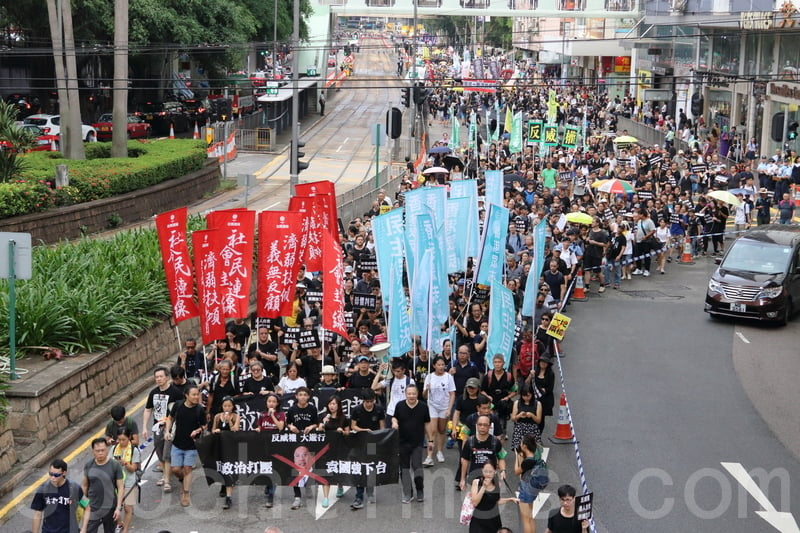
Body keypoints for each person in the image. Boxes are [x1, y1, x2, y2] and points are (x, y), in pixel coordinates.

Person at [141, 366, 183, 495]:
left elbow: (180, 410)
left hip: (171, 428)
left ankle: (167, 481)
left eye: (161, 376)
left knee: (167, 453)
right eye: (156, 377)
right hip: (157, 427)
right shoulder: (153, 393)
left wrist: (172, 426)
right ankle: (166, 474)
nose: (158, 379)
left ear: (167, 377)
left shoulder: (175, 392)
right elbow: (148, 409)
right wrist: (144, 427)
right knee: (159, 452)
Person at [164, 385, 206, 507]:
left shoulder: (199, 409)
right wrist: (167, 431)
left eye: (197, 394)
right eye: (193, 394)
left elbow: (204, 425)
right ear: (186, 395)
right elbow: (170, 418)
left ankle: (186, 494)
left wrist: (197, 430)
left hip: (191, 446)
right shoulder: (178, 406)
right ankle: (183, 480)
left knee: (187, 469)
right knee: (175, 469)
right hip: (177, 443)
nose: (196, 397)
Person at [392, 384, 430, 503]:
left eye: (414, 393)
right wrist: (394, 423)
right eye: (409, 394)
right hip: (402, 442)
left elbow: (427, 424)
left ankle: (420, 490)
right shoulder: (400, 405)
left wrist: (431, 440)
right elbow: (394, 417)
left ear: (417, 394)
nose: (411, 396)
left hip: (417, 443)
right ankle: (408, 492)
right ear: (405, 394)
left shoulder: (423, 407)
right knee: (404, 469)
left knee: (417, 467)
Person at [349, 389, 385, 508]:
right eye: (367, 401)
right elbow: (353, 426)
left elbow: (382, 427)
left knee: (370, 466)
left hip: (372, 443)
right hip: (359, 441)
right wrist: (364, 431)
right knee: (359, 468)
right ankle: (359, 496)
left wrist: (379, 439)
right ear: (363, 401)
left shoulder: (379, 409)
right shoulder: (357, 410)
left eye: (371, 401)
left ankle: (370, 490)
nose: (369, 404)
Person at [80, 438, 124, 533]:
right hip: (92, 507)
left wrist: (118, 508)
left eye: (103, 450)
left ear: (107, 450)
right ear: (93, 451)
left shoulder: (114, 465)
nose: (100, 453)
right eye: (97, 451)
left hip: (110, 507)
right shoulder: (89, 465)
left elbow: (120, 487)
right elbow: (84, 486)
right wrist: (84, 504)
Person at [285, 386, 319, 510]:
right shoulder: (292, 409)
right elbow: (287, 423)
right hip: (296, 442)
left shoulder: (312, 409)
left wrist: (312, 427)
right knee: (296, 468)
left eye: (305, 395)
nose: (303, 397)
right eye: (300, 395)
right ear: (296, 396)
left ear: (308, 396)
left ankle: (308, 485)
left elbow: (317, 423)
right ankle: (297, 496)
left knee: (309, 465)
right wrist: (290, 427)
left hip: (309, 440)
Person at [30, 458, 83, 533]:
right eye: (51, 474)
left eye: (56, 475)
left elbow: (87, 506)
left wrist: (84, 528)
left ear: (64, 473)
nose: (52, 478)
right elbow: (37, 513)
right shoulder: (43, 489)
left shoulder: (74, 488)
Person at [459, 414, 507, 492]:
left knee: (491, 502)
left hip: (491, 480)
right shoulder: (470, 442)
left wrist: (503, 470)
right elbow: (465, 460)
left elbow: (501, 457)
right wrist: (462, 479)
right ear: (476, 426)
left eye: (485, 425)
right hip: (474, 479)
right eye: (480, 425)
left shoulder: (495, 442)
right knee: (474, 502)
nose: (482, 427)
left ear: (489, 426)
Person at [422, 355, 455, 465]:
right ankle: (429, 456)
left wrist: (449, 409)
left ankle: (440, 451)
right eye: (439, 365)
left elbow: (452, 394)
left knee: (441, 430)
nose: (441, 367)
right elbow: (424, 395)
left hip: (444, 407)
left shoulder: (448, 377)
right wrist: (427, 389)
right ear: (434, 366)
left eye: (442, 365)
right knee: (432, 431)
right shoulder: (429, 377)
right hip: (432, 406)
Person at [468, 462, 519, 533]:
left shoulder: (497, 484)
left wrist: (510, 499)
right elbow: (475, 502)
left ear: (495, 471)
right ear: (482, 470)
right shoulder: (476, 482)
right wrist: (483, 487)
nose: (488, 474)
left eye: (490, 471)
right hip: (479, 520)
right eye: (485, 471)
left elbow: (495, 501)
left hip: (493, 520)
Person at [255, 393, 285, 508]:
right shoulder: (262, 415)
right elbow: (260, 426)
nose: (271, 403)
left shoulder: (280, 414)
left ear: (277, 403)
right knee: (265, 469)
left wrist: (272, 416)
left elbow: (280, 427)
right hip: (264, 445)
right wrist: (257, 429)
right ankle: (268, 485)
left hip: (276, 446)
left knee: (274, 471)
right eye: (269, 401)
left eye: (274, 401)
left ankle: (271, 496)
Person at [319, 395, 348, 507]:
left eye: (334, 404)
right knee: (326, 472)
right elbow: (319, 430)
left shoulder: (343, 418)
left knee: (339, 469)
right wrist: (322, 425)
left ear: (338, 405)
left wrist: (342, 431)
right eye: (330, 404)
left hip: (340, 448)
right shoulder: (323, 416)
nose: (332, 406)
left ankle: (340, 485)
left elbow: (348, 433)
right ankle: (326, 497)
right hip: (326, 448)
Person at [212, 396, 241, 510]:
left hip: (232, 446)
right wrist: (216, 431)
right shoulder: (217, 416)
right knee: (220, 467)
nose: (227, 408)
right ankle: (223, 485)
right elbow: (213, 430)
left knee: (229, 468)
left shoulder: (236, 416)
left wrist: (229, 421)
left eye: (229, 406)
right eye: (225, 406)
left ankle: (228, 497)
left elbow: (235, 430)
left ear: (233, 406)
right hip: (220, 444)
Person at [111, 429, 140, 533]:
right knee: (116, 506)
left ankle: (126, 529)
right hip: (116, 483)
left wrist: (125, 463)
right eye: (119, 439)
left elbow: (133, 468)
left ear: (129, 437)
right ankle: (119, 523)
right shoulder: (114, 449)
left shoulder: (134, 450)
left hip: (129, 482)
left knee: (128, 508)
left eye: (124, 439)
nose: (121, 442)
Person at [515, 433, 542, 533]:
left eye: (521, 443)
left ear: (524, 446)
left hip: (526, 487)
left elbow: (517, 471)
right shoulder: (536, 456)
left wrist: (517, 457)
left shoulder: (527, 461)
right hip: (533, 487)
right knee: (530, 516)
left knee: (525, 519)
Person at [532, 355, 555, 434]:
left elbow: (550, 388)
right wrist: (530, 375)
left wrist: (543, 390)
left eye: (545, 362)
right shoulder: (534, 371)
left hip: (545, 400)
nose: (543, 363)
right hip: (534, 398)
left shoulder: (550, 374)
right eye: (542, 361)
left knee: (541, 419)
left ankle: (538, 435)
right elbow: (527, 383)